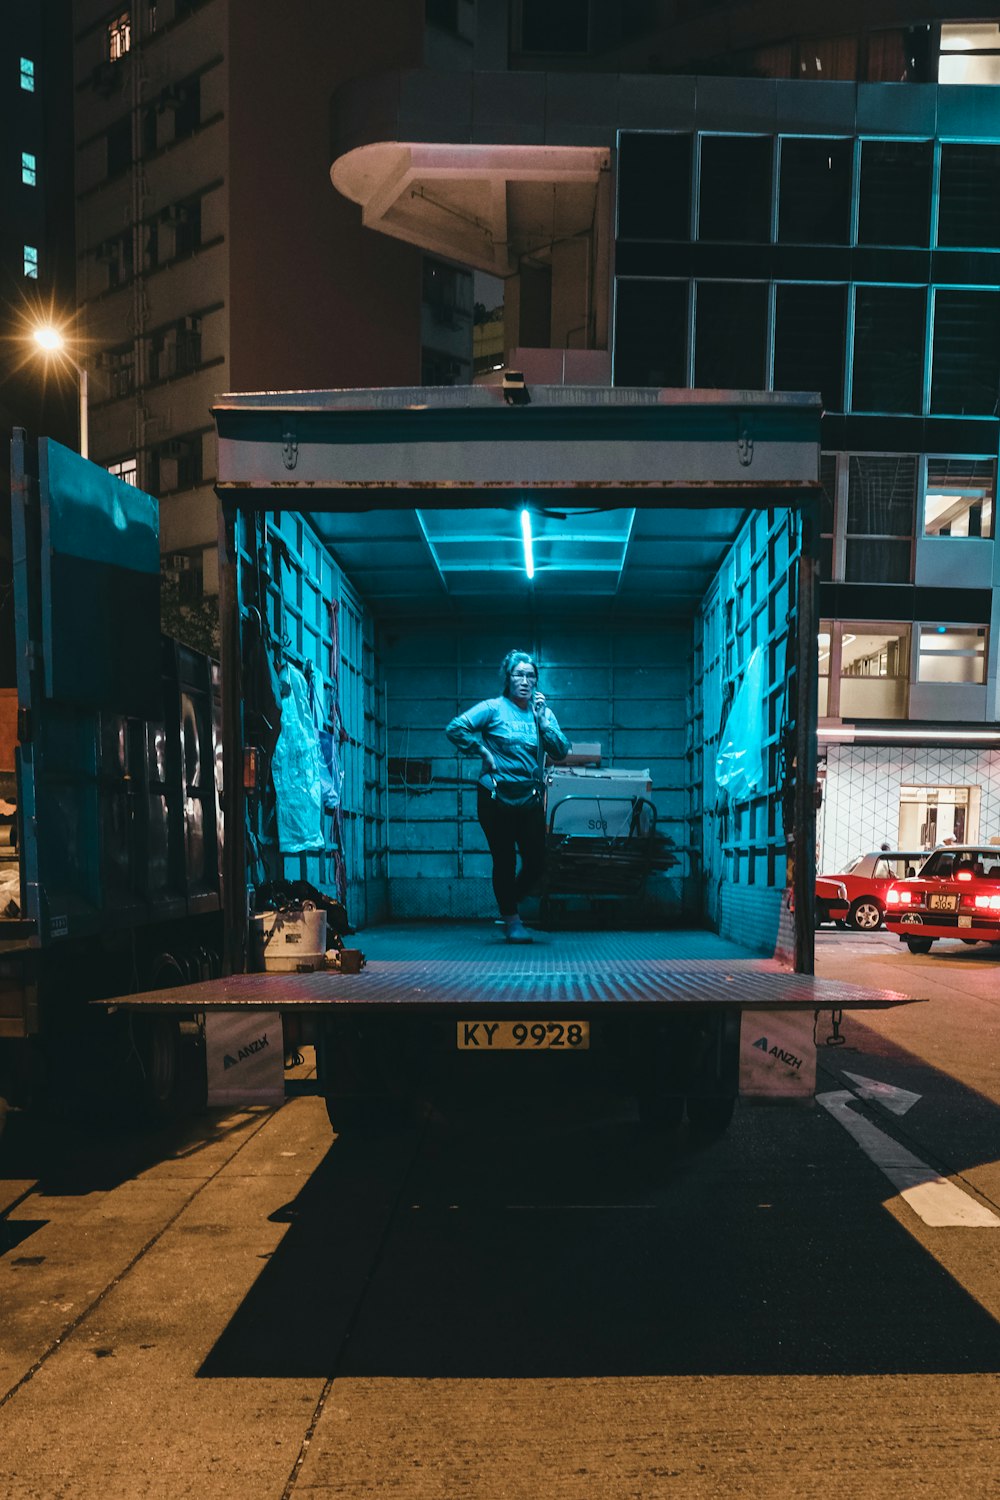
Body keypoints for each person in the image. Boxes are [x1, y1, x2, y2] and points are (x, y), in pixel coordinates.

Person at [446, 650, 569, 942]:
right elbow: (455, 727)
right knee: (504, 860)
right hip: (495, 796)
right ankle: (513, 922)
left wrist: (543, 722)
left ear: (536, 681)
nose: (525, 681)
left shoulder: (543, 714)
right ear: (508, 678)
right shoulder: (493, 708)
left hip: (529, 798)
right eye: (519, 675)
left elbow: (561, 751)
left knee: (536, 861)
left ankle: (507, 905)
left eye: (530, 676)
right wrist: (481, 750)